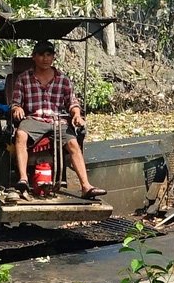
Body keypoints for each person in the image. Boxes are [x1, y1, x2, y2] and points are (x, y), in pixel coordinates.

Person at [9, 40, 104, 198]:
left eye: (48, 55)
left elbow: (72, 102)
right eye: (41, 55)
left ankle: (86, 187)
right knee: (20, 135)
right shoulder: (23, 78)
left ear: (53, 57)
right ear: (34, 57)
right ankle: (23, 179)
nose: (45, 59)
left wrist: (76, 115)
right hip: (33, 119)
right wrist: (17, 108)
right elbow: (15, 103)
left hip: (57, 121)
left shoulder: (63, 79)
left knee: (73, 143)